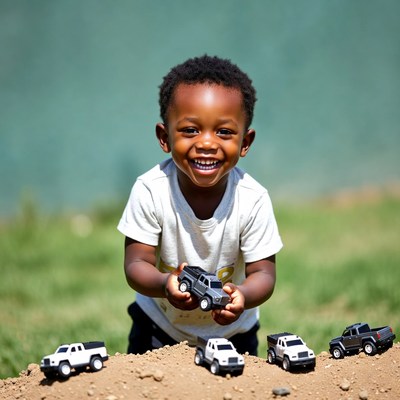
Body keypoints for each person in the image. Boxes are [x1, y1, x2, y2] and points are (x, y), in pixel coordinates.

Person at [117, 55, 283, 356]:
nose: (206, 143)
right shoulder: (150, 190)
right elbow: (135, 265)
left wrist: (243, 294)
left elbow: (265, 274)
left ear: (245, 143)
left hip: (234, 332)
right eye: (190, 130)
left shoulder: (253, 199)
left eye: (224, 132)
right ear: (164, 137)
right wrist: (164, 282)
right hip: (158, 327)